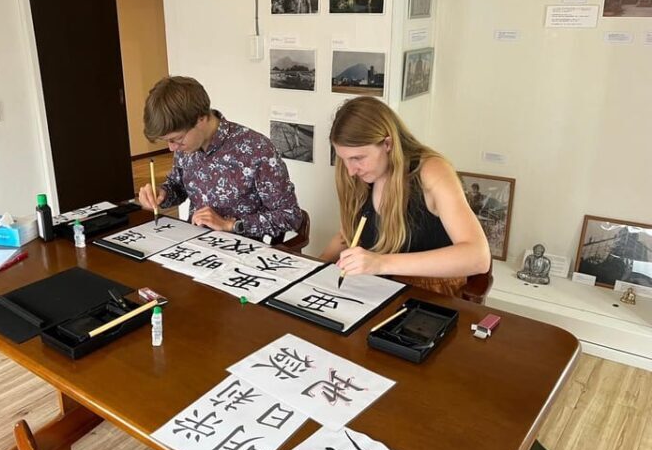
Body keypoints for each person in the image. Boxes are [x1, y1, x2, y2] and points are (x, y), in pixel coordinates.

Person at [320, 96, 490, 296]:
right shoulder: (358, 173)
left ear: (388, 144)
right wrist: (315, 267)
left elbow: (478, 257)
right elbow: (348, 234)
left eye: (358, 158)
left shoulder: (431, 171)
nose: (350, 170)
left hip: (427, 296)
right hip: (374, 288)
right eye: (344, 159)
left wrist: (381, 263)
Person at [137, 76, 302, 242]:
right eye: (167, 141)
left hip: (241, 255)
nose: (172, 148)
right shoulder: (186, 147)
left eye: (176, 139)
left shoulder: (257, 149)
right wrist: (161, 194)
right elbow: (177, 187)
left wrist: (230, 224)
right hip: (193, 245)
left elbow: (289, 216)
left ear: (200, 119)